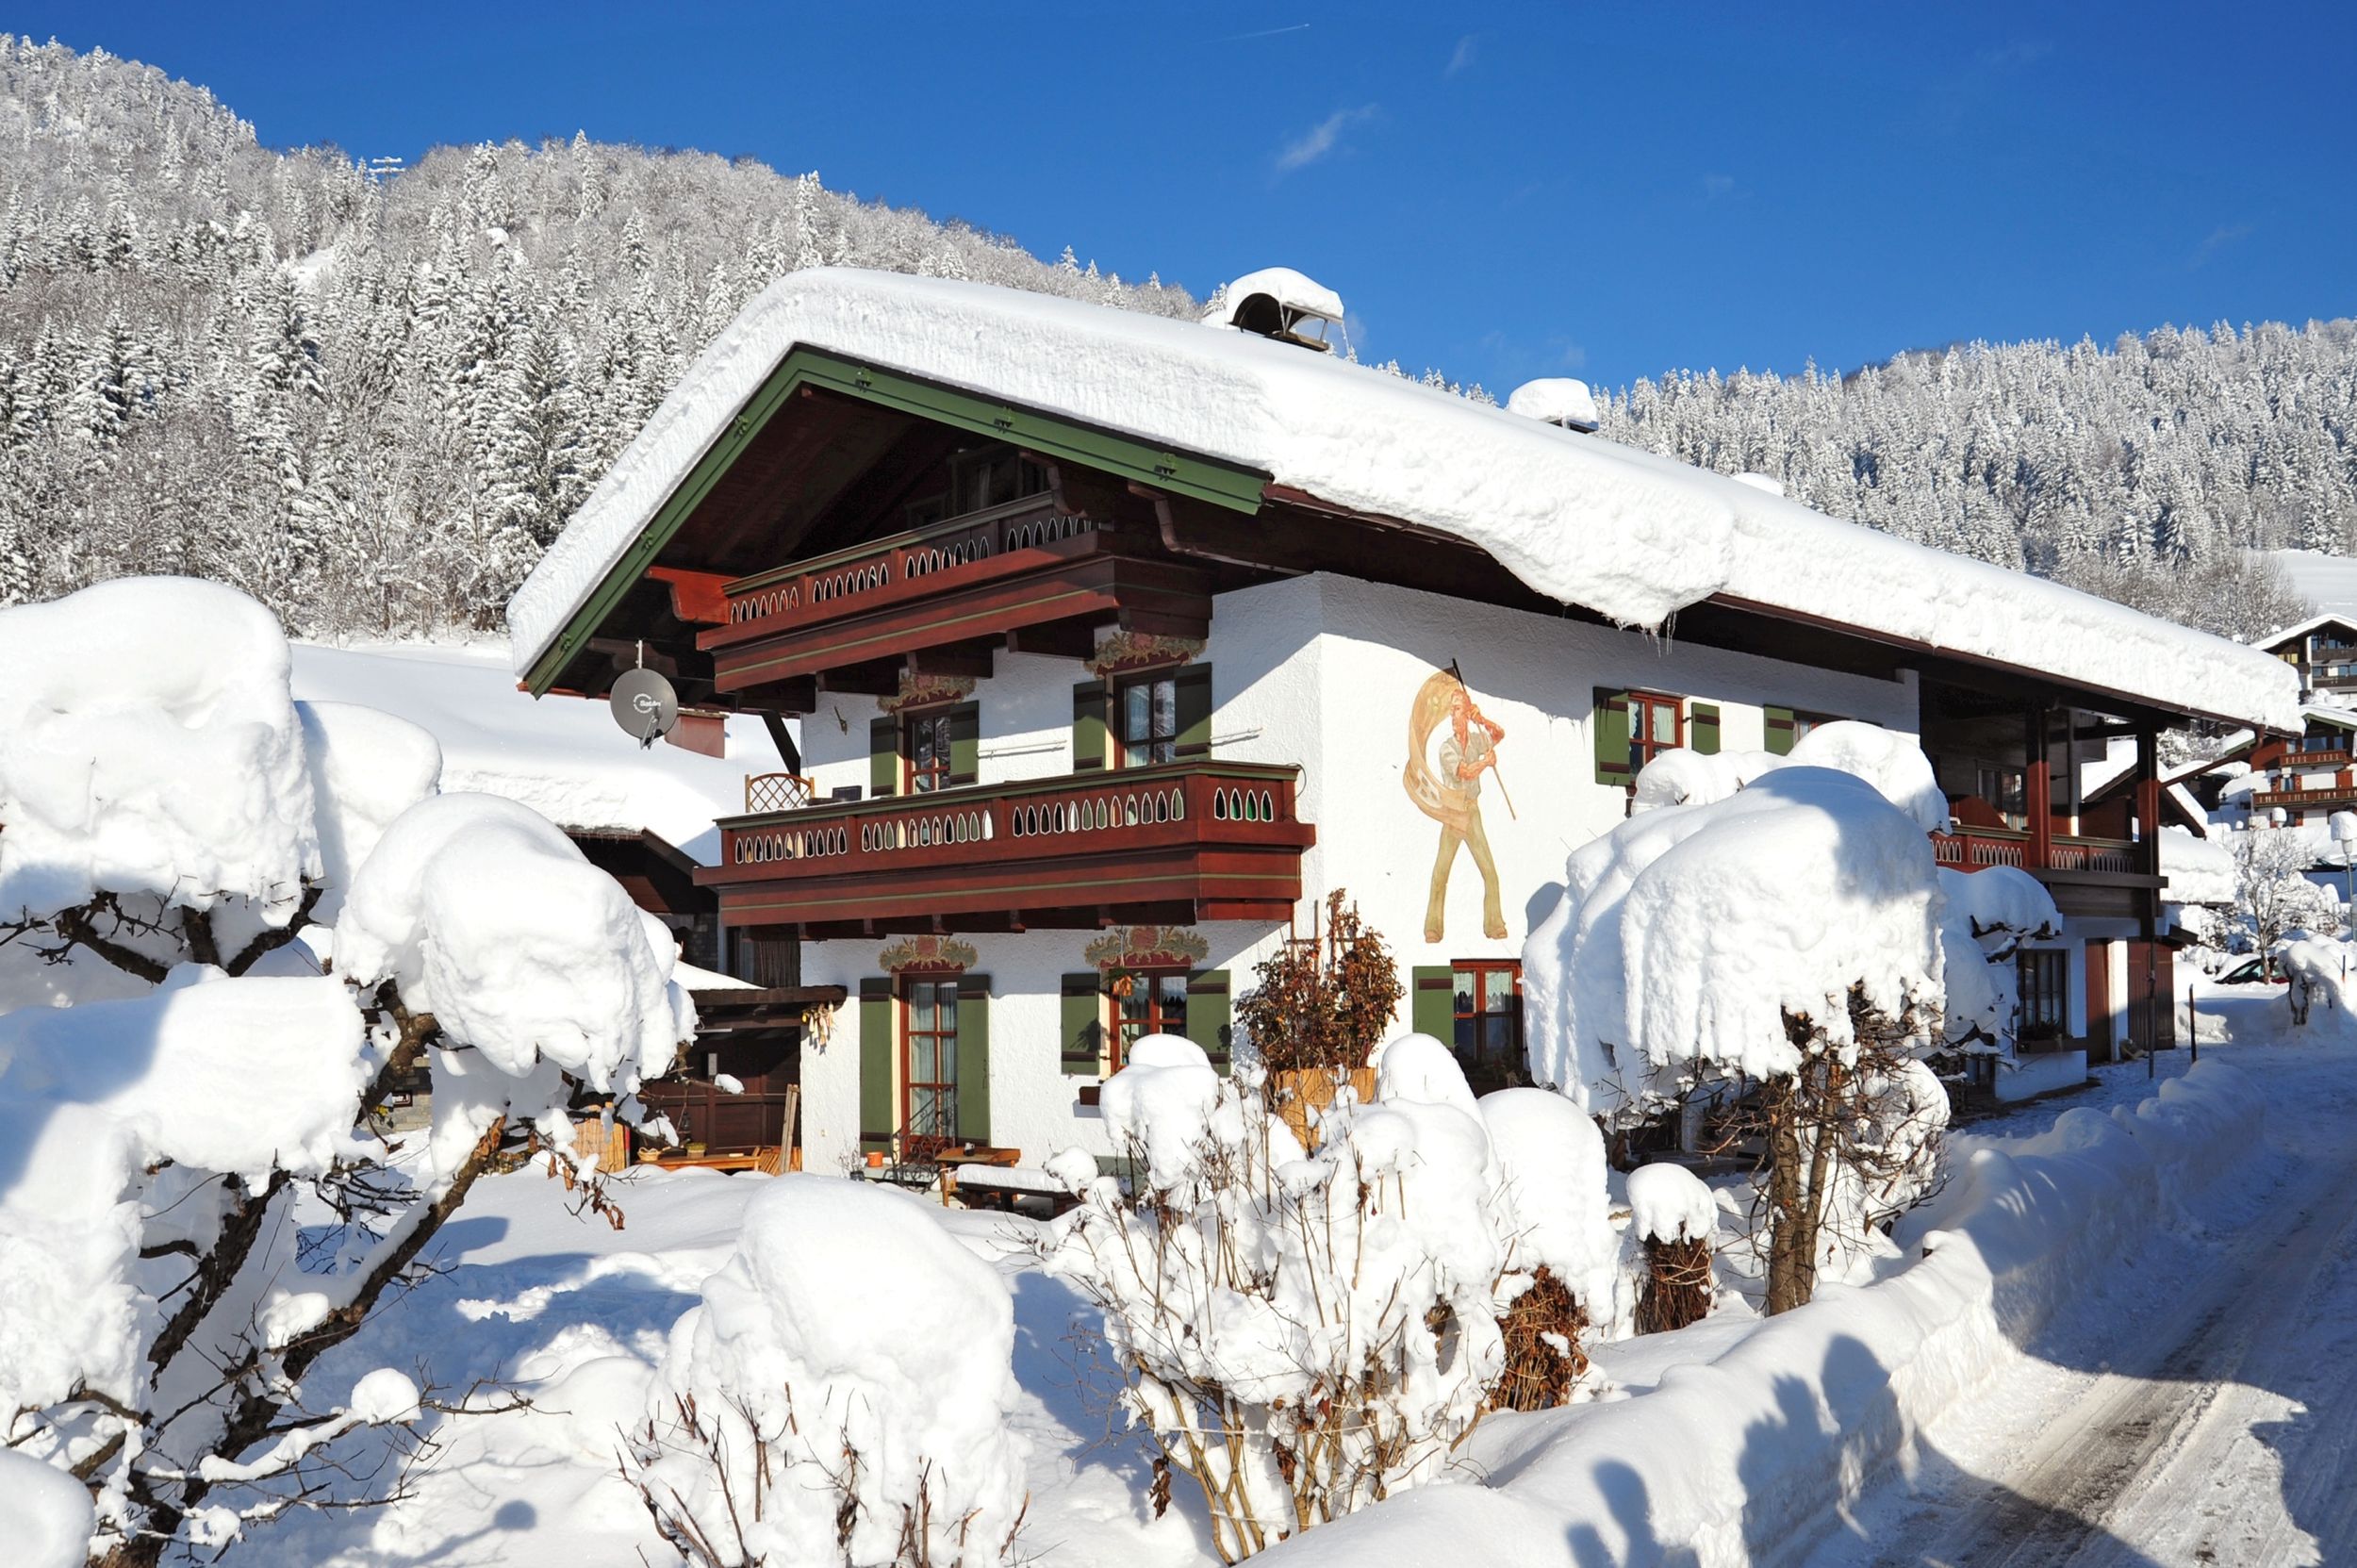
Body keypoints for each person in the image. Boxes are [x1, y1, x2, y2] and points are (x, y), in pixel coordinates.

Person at [1404, 672, 1508, 943]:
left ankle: (1494, 925)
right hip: (1453, 813)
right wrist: (1486, 763)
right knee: (1441, 872)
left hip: (1472, 811)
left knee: (1490, 872)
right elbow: (1464, 773)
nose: (1453, 715)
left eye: (1458, 709)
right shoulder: (1446, 748)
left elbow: (1499, 734)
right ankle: (1433, 927)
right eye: (1452, 711)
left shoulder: (1476, 739)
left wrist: (1481, 718)